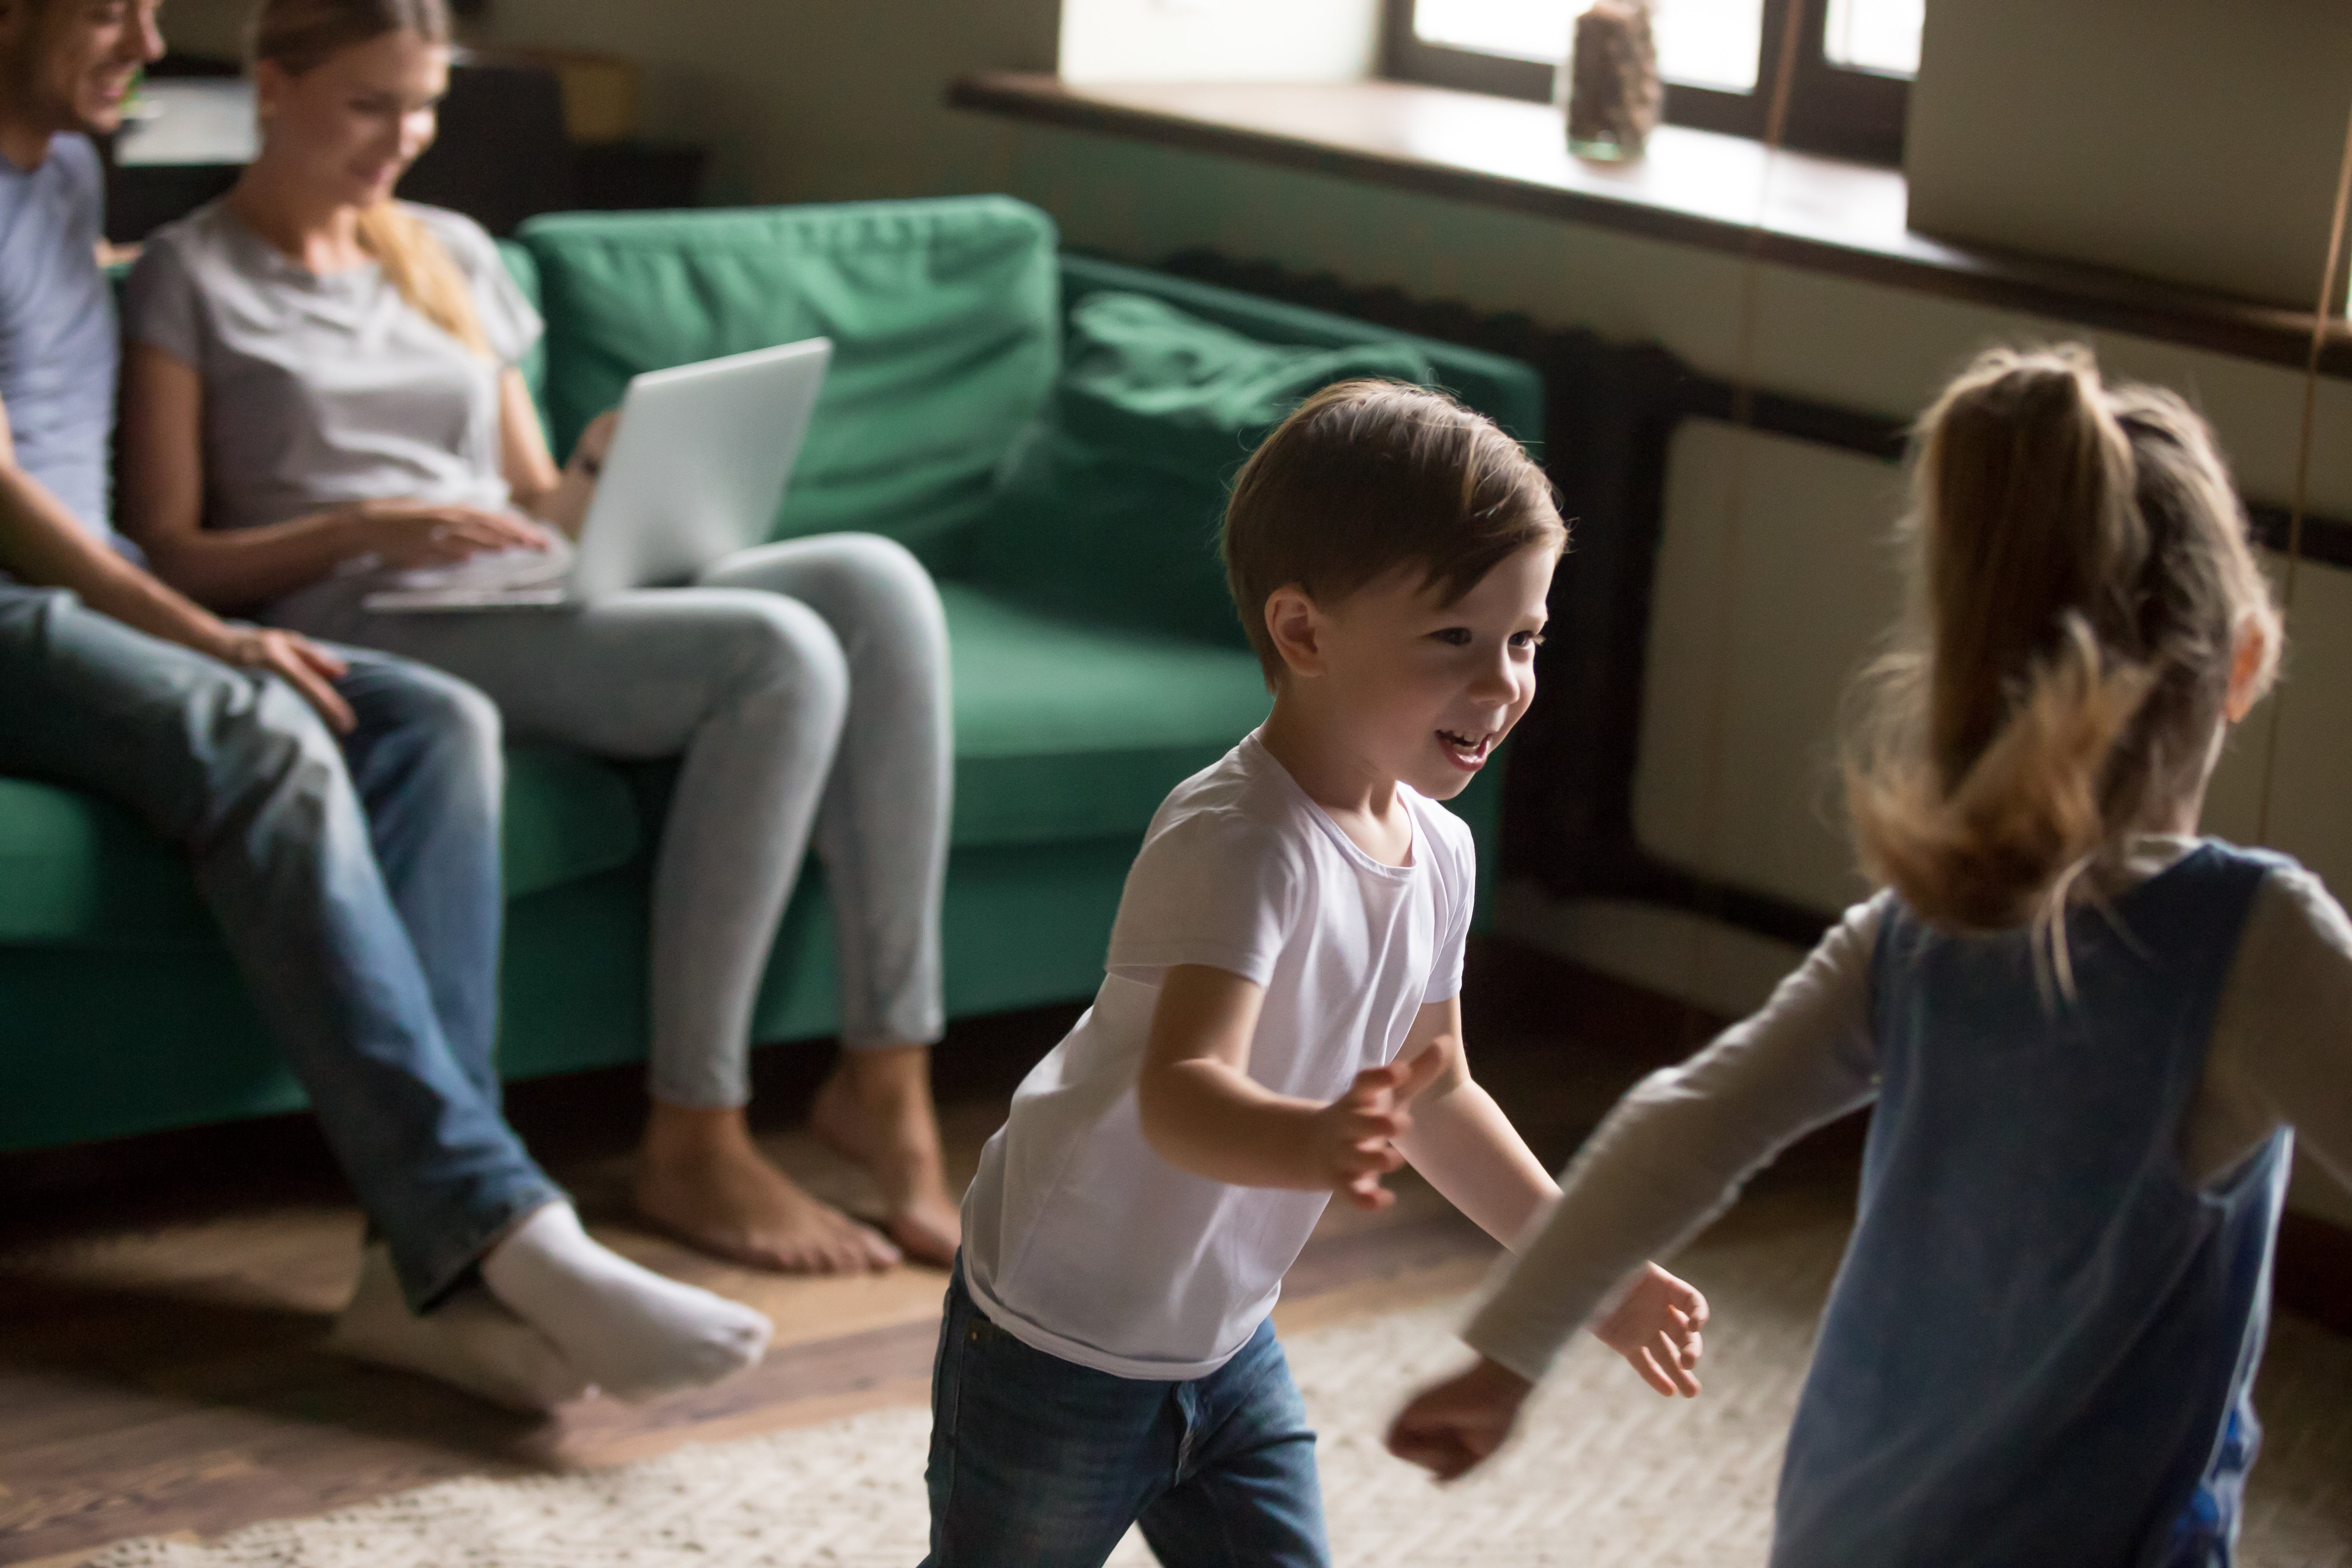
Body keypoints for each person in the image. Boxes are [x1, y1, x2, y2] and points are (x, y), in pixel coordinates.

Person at [1387, 345, 2352, 1567]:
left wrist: (1506, 1354)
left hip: (1854, 1527)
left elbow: (1690, 1119)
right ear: (2249, 662)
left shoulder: (1917, 933)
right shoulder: (2254, 943)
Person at [0, 0, 769, 1409]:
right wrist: (208, 635)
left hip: (88, 590)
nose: (152, 44)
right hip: (12, 602)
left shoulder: (55, 168)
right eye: (111, 9)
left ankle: (407, 1270)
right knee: (263, 734)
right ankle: (496, 1221)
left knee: (432, 722)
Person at [114, 0, 962, 1275]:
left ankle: (885, 1079)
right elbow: (173, 549)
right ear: (274, 86)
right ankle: (696, 1129)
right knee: (774, 655)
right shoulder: (188, 276)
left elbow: (529, 501)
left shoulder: (448, 250)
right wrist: (362, 527)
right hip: (370, 614)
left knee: (876, 583)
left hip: (511, 586)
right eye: (367, 105)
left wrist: (609, 473)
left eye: (423, 107)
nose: (401, 137)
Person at [924, 381, 1709, 1568]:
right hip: (1062, 1339)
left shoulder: (1440, 846)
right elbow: (1180, 1089)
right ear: (1303, 633)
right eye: (1454, 639)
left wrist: (1578, 1269)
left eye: (1524, 639)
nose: (1501, 684)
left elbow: (1438, 1092)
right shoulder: (1238, 839)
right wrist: (1311, 1143)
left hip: (1226, 1338)